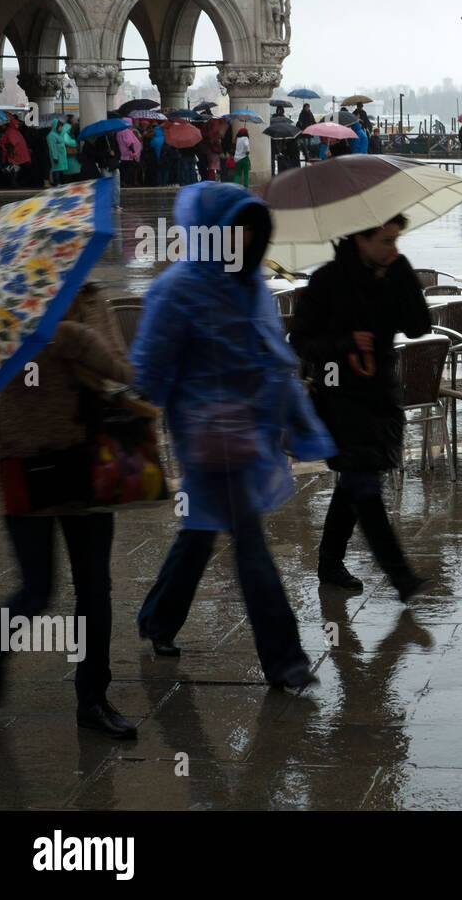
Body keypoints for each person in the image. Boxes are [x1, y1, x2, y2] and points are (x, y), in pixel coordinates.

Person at [133, 182, 333, 686]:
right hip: (206, 439)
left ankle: (158, 618)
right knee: (250, 545)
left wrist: (294, 410)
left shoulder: (251, 285)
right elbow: (150, 370)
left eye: (249, 230)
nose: (241, 241)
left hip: (252, 431)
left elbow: (270, 353)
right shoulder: (175, 290)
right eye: (232, 229)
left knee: (200, 532)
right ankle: (286, 660)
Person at [0, 283, 138, 737]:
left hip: (86, 465)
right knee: (37, 589)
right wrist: (42, 339)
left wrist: (77, 340)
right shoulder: (7, 308)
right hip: (24, 461)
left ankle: (93, 699)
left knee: (95, 588)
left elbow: (121, 370)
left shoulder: (93, 299)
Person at [290, 212, 436, 602]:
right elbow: (301, 341)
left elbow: (420, 325)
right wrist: (344, 342)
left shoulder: (393, 271)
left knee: (357, 479)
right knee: (363, 481)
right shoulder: (327, 281)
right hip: (338, 394)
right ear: (360, 239)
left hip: (380, 393)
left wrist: (401, 273)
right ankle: (401, 576)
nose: (393, 248)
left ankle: (328, 562)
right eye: (385, 241)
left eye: (396, 241)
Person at [0, 115, 30, 187]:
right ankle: (14, 183)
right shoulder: (13, 132)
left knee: (15, 169)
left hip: (13, 154)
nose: (17, 126)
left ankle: (14, 183)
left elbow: (6, 142)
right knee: (15, 170)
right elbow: (13, 143)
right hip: (14, 154)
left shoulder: (11, 132)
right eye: (16, 124)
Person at [46, 115, 68, 185]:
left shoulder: (57, 134)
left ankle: (59, 184)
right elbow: (52, 147)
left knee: (60, 171)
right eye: (60, 126)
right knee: (56, 171)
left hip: (61, 157)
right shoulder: (51, 136)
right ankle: (57, 184)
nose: (61, 128)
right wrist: (55, 157)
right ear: (56, 126)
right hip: (57, 157)